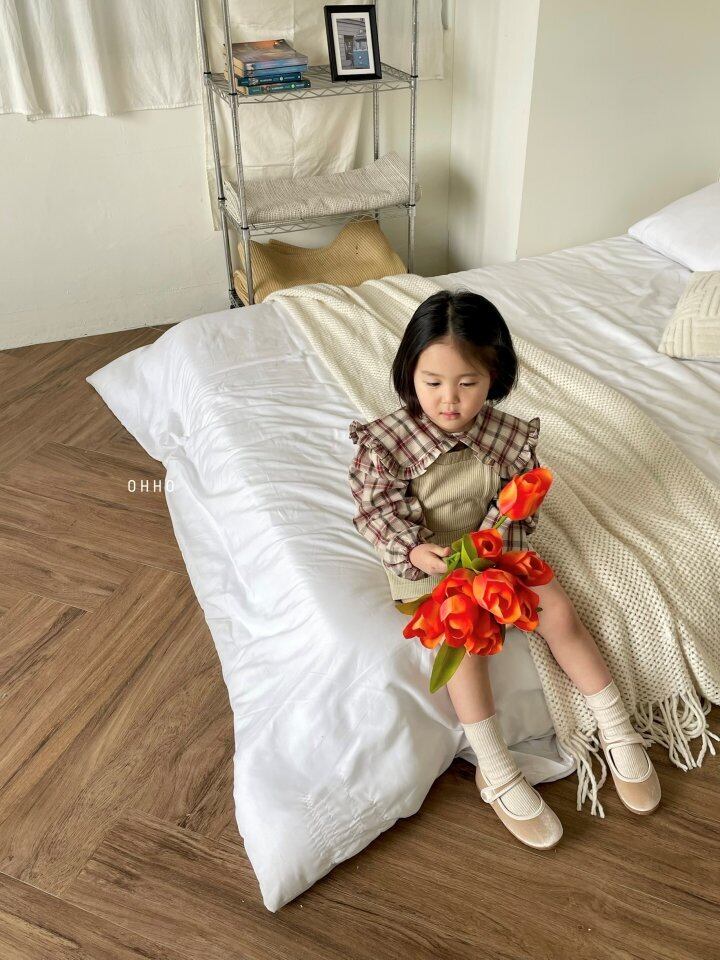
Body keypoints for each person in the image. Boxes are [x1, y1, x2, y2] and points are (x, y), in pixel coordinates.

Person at [347, 289, 661, 850]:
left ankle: (616, 726)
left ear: (494, 377)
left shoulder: (509, 436)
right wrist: (416, 551)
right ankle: (496, 768)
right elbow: (376, 511)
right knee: (464, 641)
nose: (449, 400)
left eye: (467, 384)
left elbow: (518, 501)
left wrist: (493, 545)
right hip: (429, 560)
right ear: (409, 374)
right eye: (432, 382)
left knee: (558, 611)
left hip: (495, 548)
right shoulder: (388, 443)